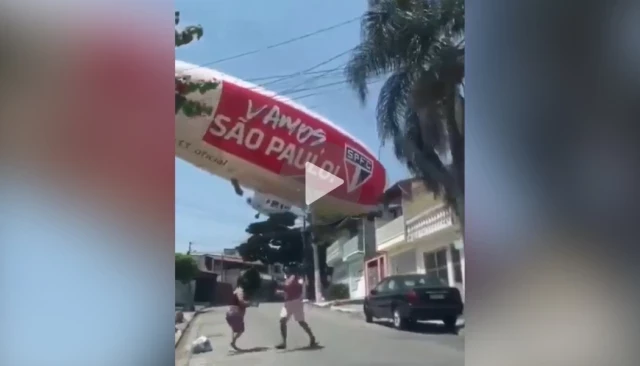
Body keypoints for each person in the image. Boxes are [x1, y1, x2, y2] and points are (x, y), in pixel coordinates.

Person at [275, 264, 318, 349]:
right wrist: (281, 291)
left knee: (301, 322)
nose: (285, 271)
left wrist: (282, 289)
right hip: (287, 303)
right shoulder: (287, 279)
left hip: (296, 302)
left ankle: (312, 337)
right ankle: (283, 342)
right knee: (282, 320)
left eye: (286, 269)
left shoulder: (294, 278)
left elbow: (291, 286)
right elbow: (286, 288)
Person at [225, 275, 251, 351]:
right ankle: (232, 342)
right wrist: (248, 303)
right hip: (235, 313)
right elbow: (241, 301)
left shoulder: (235, 290)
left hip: (230, 313)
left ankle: (233, 344)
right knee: (240, 330)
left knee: (234, 329)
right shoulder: (240, 291)